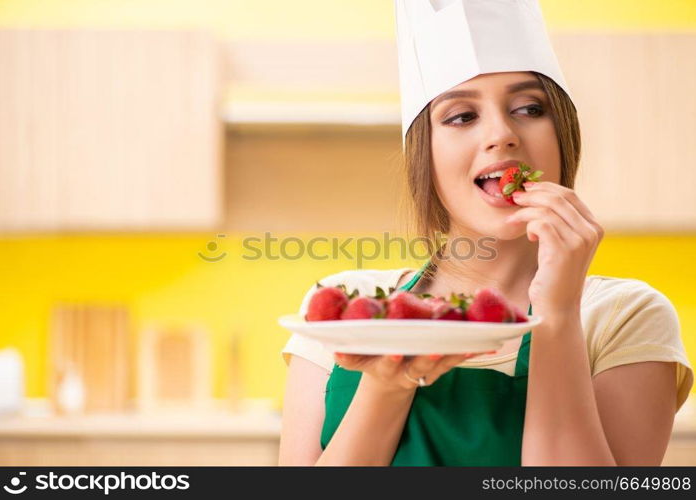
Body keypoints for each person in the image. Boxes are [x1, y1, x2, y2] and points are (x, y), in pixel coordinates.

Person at [278, 0, 694, 466]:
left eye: (530, 108)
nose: (502, 134)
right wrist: (387, 382)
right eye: (461, 116)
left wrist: (557, 312)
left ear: (563, 136)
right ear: (426, 157)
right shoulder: (349, 310)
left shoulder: (623, 318)